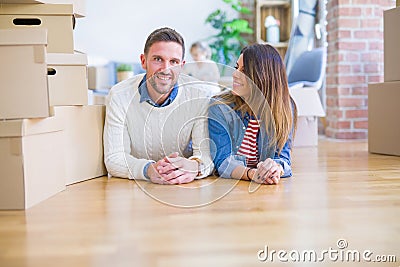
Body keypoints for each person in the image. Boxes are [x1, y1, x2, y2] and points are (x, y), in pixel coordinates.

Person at [103, 27, 213, 185]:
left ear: (181, 66)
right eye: (158, 59)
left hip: (184, 189)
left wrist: (195, 166)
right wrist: (148, 169)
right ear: (143, 61)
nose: (166, 69)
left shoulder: (200, 96)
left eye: (173, 62)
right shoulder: (119, 96)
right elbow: (114, 158)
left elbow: (206, 157)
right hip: (136, 189)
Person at [208, 43, 297, 185]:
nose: (234, 74)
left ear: (264, 76)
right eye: (237, 68)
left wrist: (275, 169)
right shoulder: (219, 107)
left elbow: (283, 159)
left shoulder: (284, 107)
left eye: (244, 71)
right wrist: (252, 174)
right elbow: (222, 162)